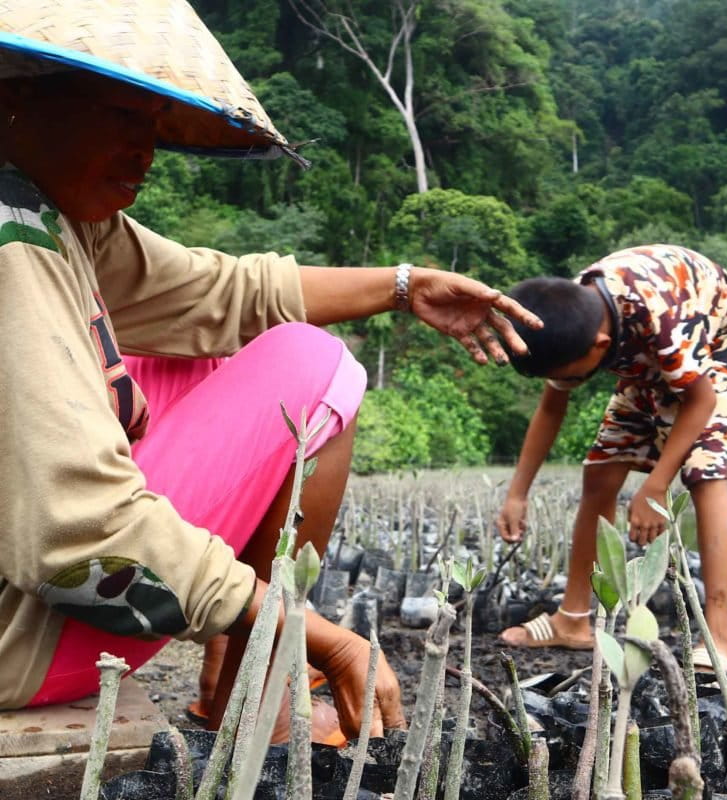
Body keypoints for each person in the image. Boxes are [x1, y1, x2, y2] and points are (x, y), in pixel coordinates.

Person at [0, 0, 540, 745]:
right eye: (125, 116)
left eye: (155, 126)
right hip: (18, 650)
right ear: (16, 93)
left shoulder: (54, 216)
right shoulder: (13, 240)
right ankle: (259, 696)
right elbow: (77, 533)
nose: (146, 153)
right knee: (315, 369)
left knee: (206, 353)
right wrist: (310, 632)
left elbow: (218, 295)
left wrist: (405, 287)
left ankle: (227, 681)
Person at [493, 245, 727, 671]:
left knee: (704, 469)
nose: (566, 384)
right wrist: (517, 492)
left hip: (713, 339)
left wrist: (656, 486)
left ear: (601, 345)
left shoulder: (661, 319)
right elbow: (550, 407)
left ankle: (719, 638)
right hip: (644, 353)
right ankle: (573, 620)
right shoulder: (567, 312)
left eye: (573, 376)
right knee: (600, 471)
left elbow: (700, 400)